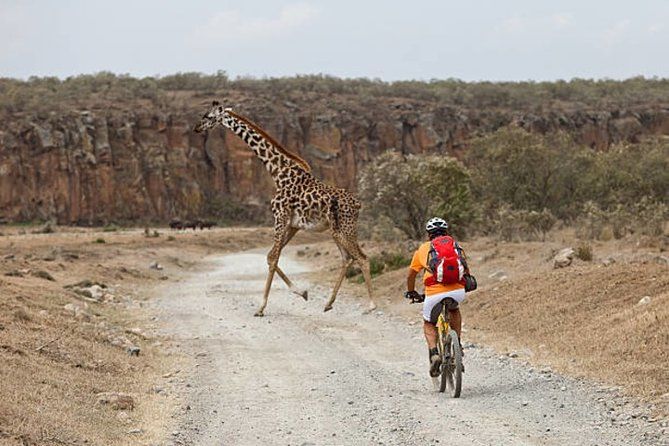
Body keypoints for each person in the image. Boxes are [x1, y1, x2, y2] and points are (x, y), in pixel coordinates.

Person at [405, 217, 471, 377]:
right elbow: (466, 270)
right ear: (446, 232)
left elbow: (411, 275)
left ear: (428, 234)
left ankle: (434, 353)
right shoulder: (455, 245)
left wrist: (412, 291)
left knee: (429, 323)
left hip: (434, 293)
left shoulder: (423, 249)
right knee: (454, 310)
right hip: (457, 291)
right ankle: (458, 345)